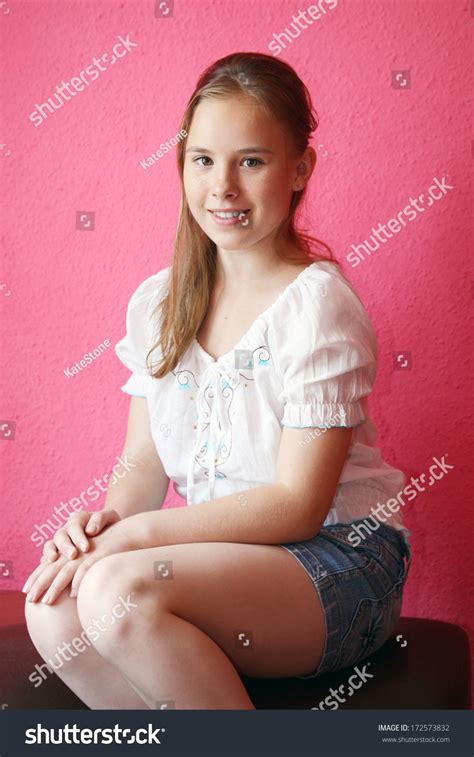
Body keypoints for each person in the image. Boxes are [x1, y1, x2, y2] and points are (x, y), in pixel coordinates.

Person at [24, 52, 411, 710]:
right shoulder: (157, 302)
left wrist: (137, 538)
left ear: (300, 169)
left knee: (120, 590)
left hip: (340, 557)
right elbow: (142, 465)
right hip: (227, 556)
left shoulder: (316, 304)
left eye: (251, 161)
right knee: (55, 607)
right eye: (203, 159)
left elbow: (297, 505)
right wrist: (103, 524)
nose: (223, 186)